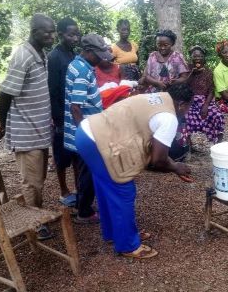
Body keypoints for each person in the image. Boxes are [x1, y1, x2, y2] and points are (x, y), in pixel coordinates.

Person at [75, 83, 194, 259]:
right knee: (123, 190)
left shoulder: (157, 97)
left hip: (86, 131)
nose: (188, 111)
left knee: (105, 186)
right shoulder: (169, 118)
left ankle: (113, 234)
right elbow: (158, 160)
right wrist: (176, 167)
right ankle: (128, 245)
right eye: (189, 107)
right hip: (98, 141)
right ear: (182, 104)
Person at [0, 13, 56, 240]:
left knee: (39, 179)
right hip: (25, 131)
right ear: (34, 32)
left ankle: (37, 215)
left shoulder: (41, 54)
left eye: (53, 31)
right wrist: (3, 123)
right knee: (31, 182)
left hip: (39, 128)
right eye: (47, 32)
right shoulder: (23, 56)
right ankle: (34, 225)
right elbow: (5, 94)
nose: (51, 36)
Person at [64, 33, 113, 223]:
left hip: (79, 131)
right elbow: (76, 107)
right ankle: (84, 212)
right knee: (89, 172)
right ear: (88, 51)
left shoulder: (77, 64)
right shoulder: (83, 72)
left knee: (84, 170)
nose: (102, 59)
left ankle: (81, 205)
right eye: (99, 54)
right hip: (85, 133)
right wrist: (84, 135)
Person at [48, 17, 81, 207]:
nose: (74, 38)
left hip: (73, 113)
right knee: (61, 157)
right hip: (61, 115)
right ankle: (63, 191)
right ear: (61, 35)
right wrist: (58, 119)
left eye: (76, 34)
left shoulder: (73, 55)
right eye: (70, 35)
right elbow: (52, 91)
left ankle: (78, 188)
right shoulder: (54, 57)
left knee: (77, 154)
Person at [144, 30, 191, 161]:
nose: (162, 47)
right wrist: (157, 83)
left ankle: (177, 153)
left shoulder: (177, 57)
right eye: (159, 44)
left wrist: (175, 82)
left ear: (172, 44)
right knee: (154, 121)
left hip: (172, 96)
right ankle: (154, 153)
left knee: (175, 121)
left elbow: (184, 76)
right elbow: (146, 75)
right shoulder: (152, 56)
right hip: (154, 95)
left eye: (166, 44)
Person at [185, 46, 224, 144]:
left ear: (204, 57)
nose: (197, 58)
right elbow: (183, 84)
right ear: (191, 57)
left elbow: (211, 90)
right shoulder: (187, 69)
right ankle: (187, 146)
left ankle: (218, 145)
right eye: (195, 56)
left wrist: (206, 105)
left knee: (217, 115)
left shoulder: (208, 72)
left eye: (200, 56)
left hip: (205, 100)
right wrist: (192, 73)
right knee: (184, 116)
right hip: (189, 100)